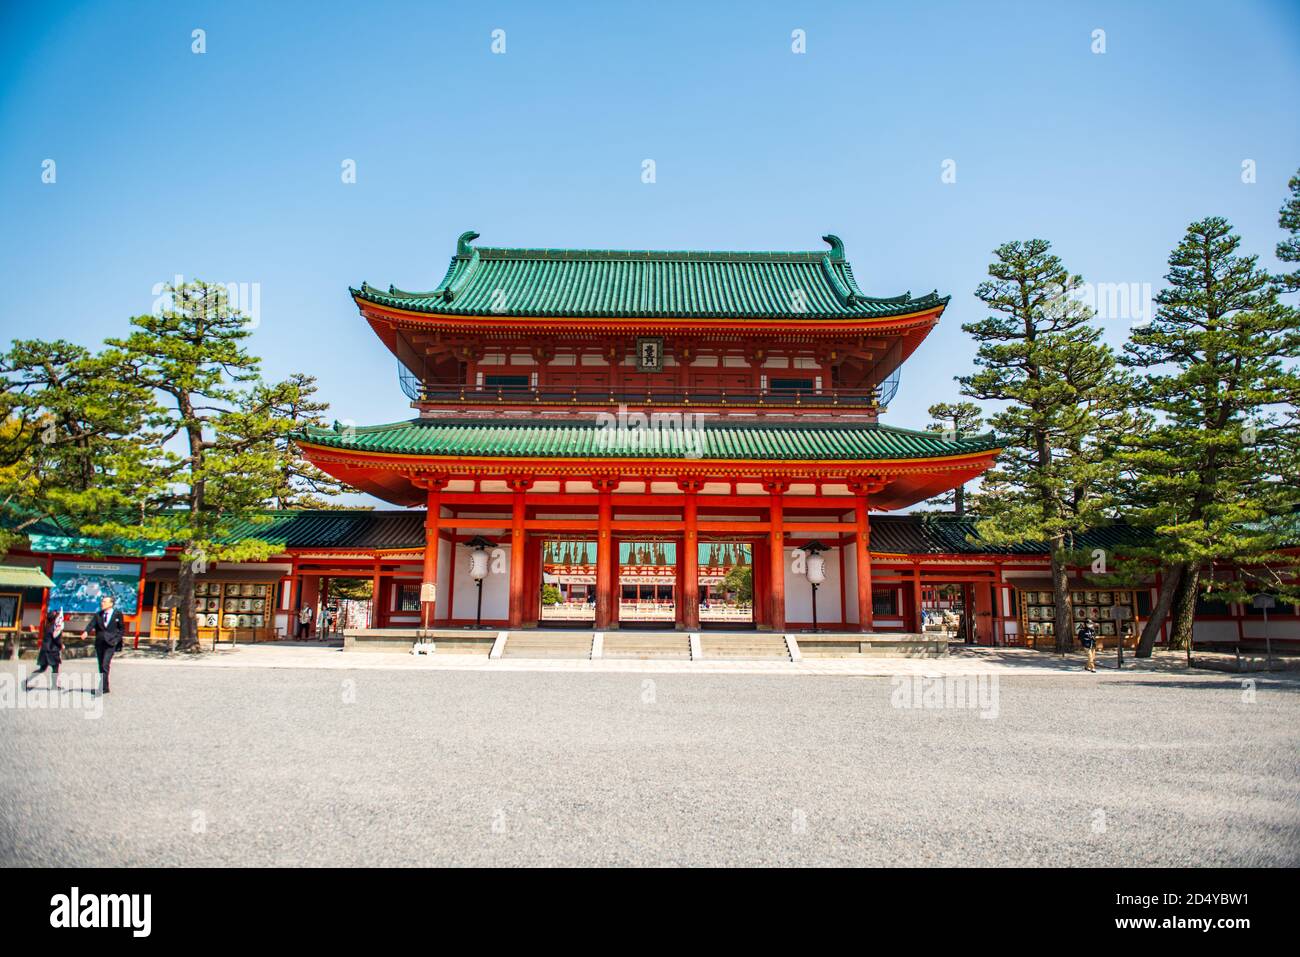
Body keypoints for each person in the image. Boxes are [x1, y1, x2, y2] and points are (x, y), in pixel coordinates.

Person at [83, 595, 125, 695]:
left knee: (105, 664)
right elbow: (91, 624)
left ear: (111, 604)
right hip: (100, 642)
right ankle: (105, 687)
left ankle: (102, 687)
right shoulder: (98, 614)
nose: (102, 603)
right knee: (101, 665)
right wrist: (86, 632)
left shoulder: (117, 614)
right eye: (102, 601)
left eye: (105, 602)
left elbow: (121, 629)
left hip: (111, 643)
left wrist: (116, 640)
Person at [24, 608, 65, 691]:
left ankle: (26, 681)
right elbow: (56, 639)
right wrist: (61, 645)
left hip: (45, 649)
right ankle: (54, 686)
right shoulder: (54, 627)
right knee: (55, 668)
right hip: (51, 650)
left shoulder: (48, 626)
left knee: (42, 668)